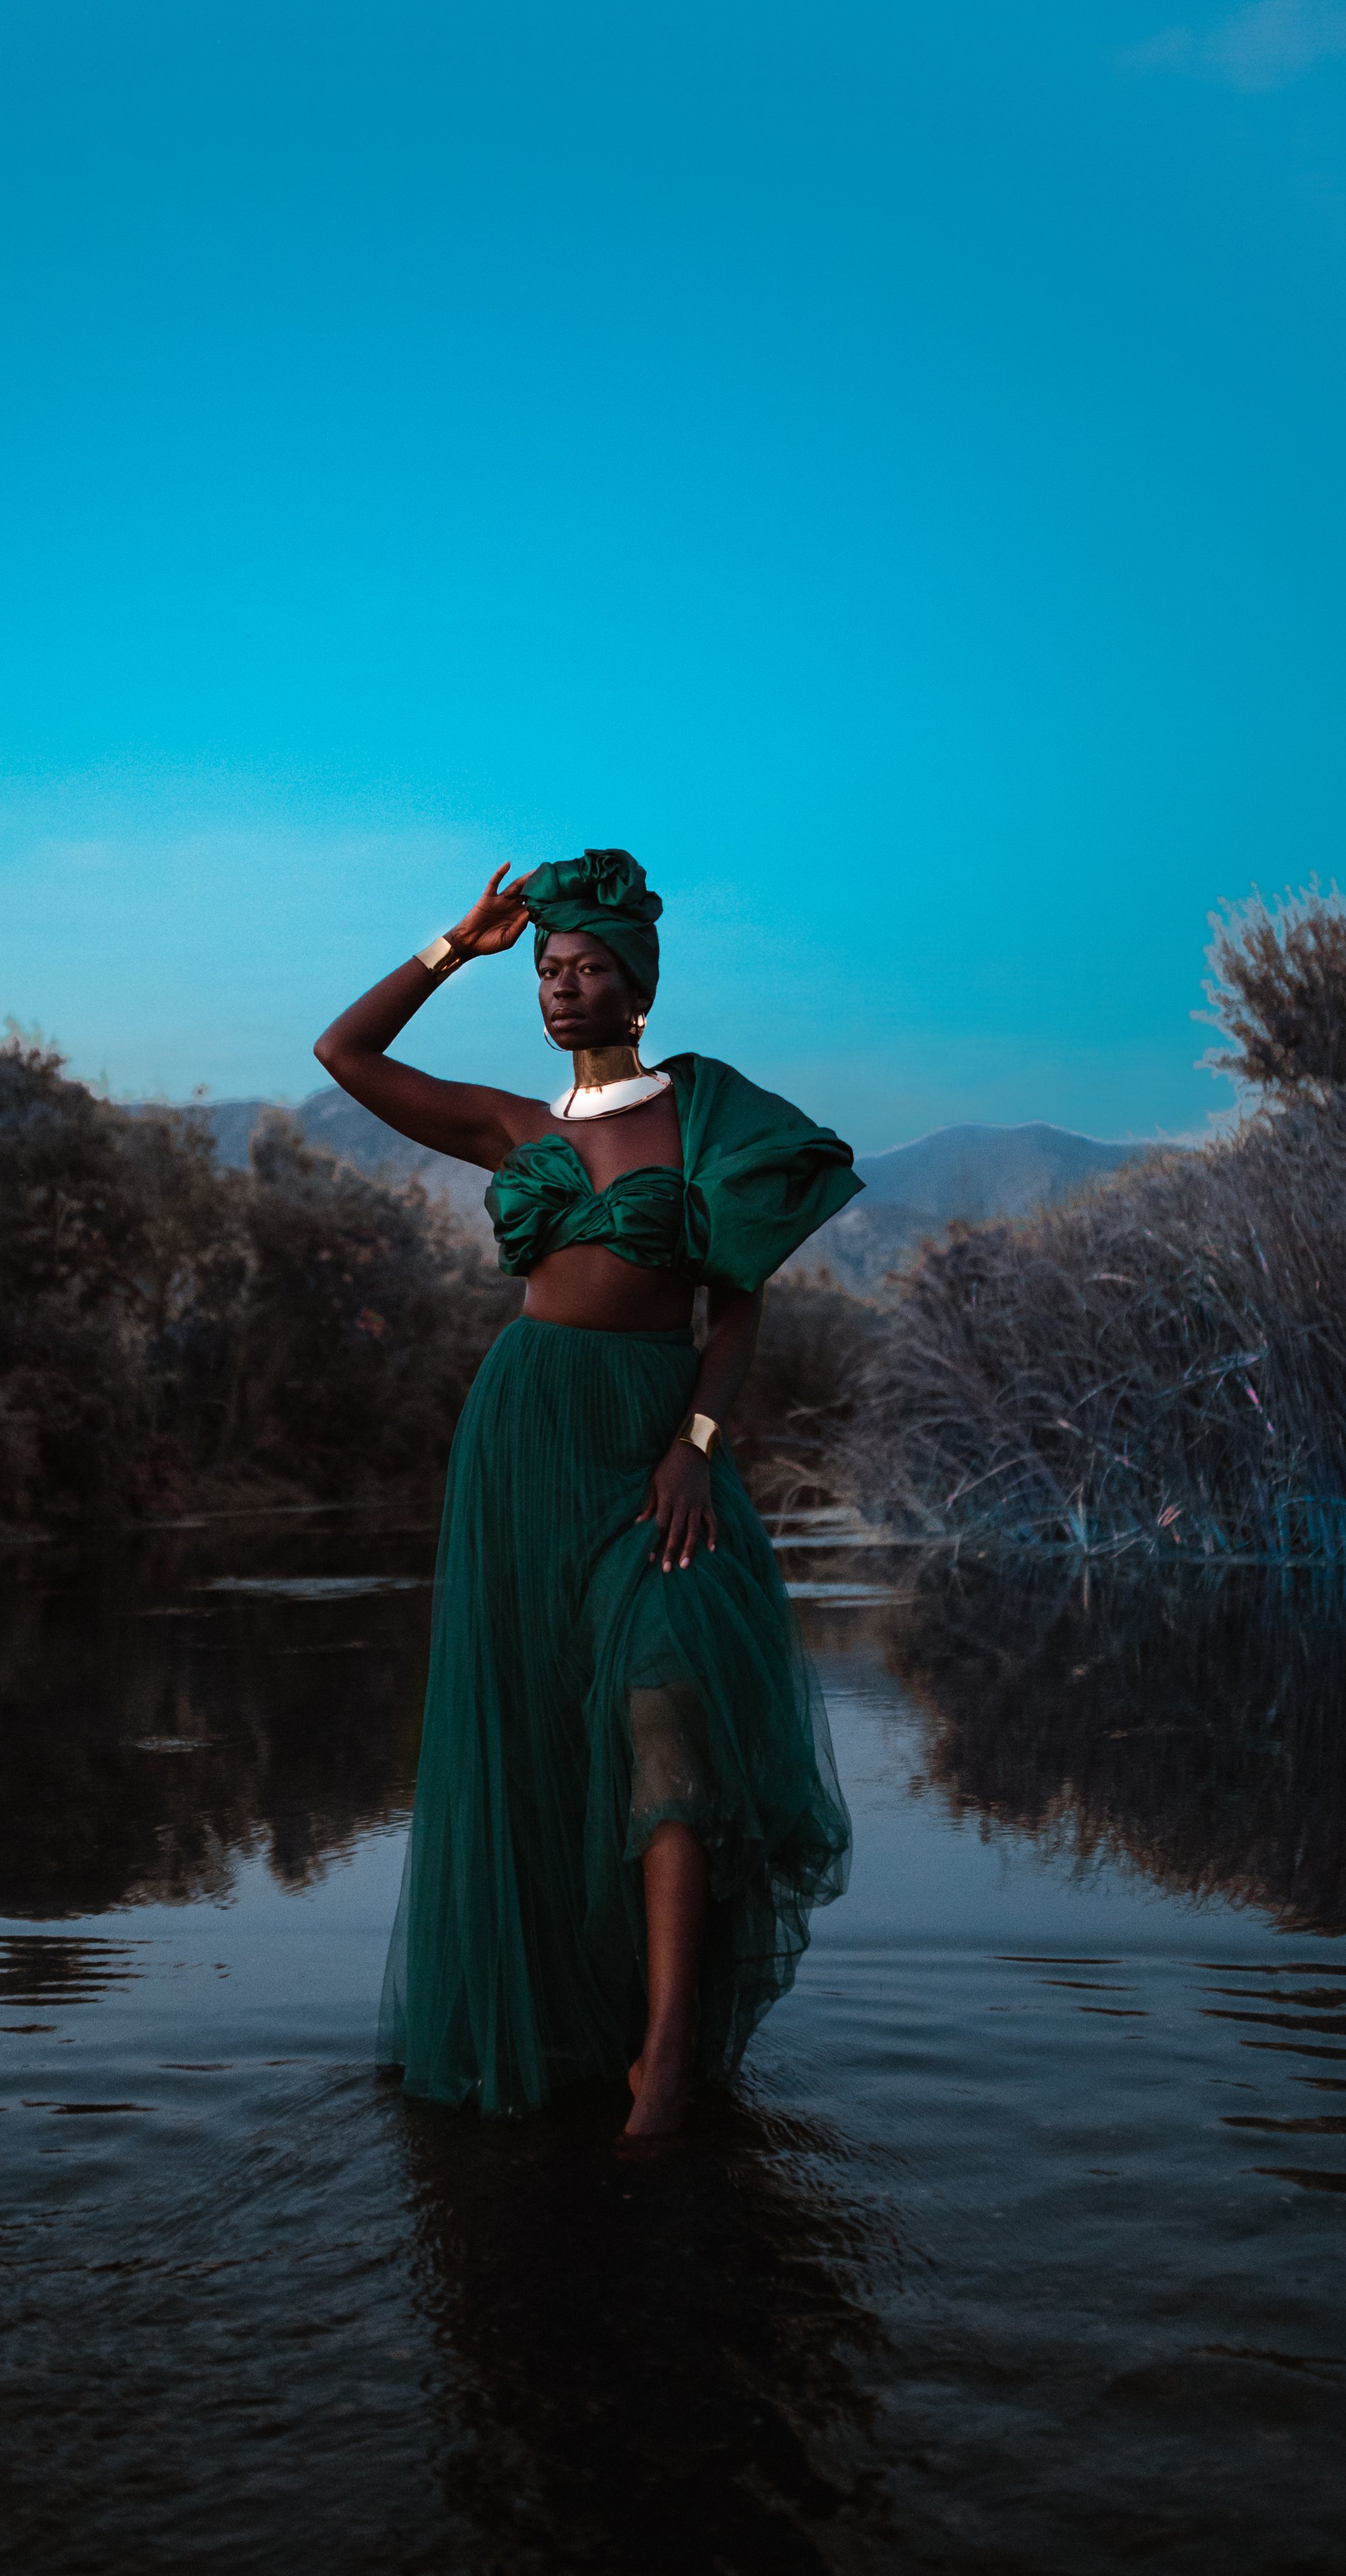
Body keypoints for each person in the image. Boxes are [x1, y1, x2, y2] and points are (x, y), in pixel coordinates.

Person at [314, 849, 858, 2139]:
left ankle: (665, 2057)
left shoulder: (709, 1118)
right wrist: (460, 946)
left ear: (638, 989)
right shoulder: (518, 1128)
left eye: (588, 968)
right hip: (521, 1444)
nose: (561, 989)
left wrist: (698, 1445)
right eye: (550, 971)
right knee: (540, 1734)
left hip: (652, 1448)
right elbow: (344, 1052)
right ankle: (575, 2024)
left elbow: (738, 1309)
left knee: (667, 1702)